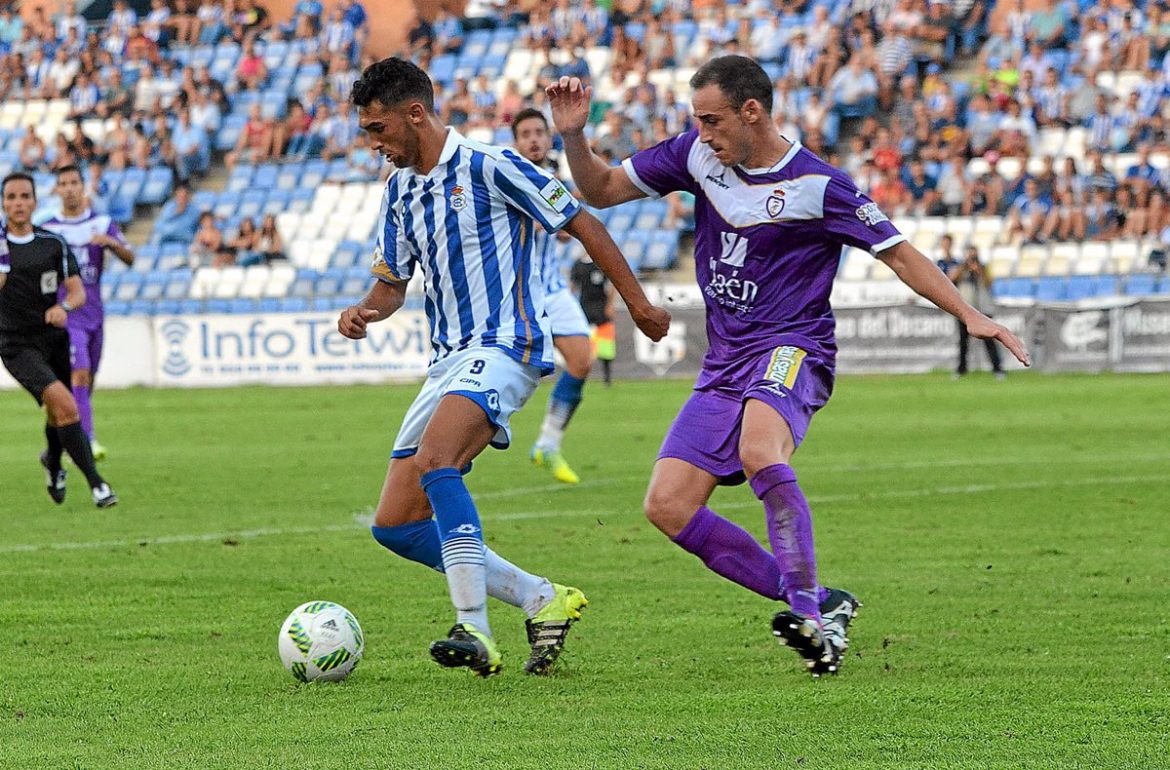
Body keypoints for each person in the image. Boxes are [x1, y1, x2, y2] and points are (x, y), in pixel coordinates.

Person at [547, 56, 1030, 677]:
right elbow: (601, 189)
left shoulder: (819, 186)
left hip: (793, 346)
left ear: (752, 112)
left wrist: (968, 313)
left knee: (759, 450)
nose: (703, 132)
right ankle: (821, 605)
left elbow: (899, 254)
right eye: (697, 120)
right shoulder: (698, 156)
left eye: (712, 120)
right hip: (726, 359)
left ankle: (809, 615)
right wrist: (572, 136)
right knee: (667, 505)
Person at [336, 58, 669, 678]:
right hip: (446, 363)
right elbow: (391, 285)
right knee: (397, 525)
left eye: (379, 129)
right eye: (366, 132)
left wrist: (640, 305)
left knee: (438, 461)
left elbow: (583, 223)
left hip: (506, 346)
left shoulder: (492, 166)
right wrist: (365, 311)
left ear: (416, 114)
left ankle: (474, 631)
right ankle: (543, 598)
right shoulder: (400, 191)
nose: (373, 144)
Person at [0, 172, 118, 508]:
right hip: (16, 345)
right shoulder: (1, 246)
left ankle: (53, 463)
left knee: (57, 413)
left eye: (24, 197)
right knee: (66, 405)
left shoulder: (53, 243)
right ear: (4, 204)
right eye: (11, 197)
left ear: (35, 202)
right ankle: (98, 485)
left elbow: (78, 292)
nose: (18, 203)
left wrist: (63, 306)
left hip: (52, 339)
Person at [511, 108, 594, 485]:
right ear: (515, 142)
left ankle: (548, 442)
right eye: (525, 133)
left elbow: (564, 230)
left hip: (553, 288)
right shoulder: (508, 176)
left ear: (549, 138)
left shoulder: (554, 180)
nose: (533, 139)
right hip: (517, 293)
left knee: (581, 359)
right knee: (511, 375)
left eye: (539, 132)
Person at [41, 165, 135, 461]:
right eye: (63, 184)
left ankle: (64, 436)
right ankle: (87, 439)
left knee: (87, 378)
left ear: (83, 187)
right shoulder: (49, 230)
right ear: (57, 190)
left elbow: (130, 258)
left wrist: (111, 243)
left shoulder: (103, 223)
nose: (69, 188)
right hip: (68, 315)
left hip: (95, 314)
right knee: (79, 374)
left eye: (73, 183)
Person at [944, 245, 1006, 380]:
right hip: (965, 311)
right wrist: (964, 267)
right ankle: (961, 369)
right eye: (969, 255)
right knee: (963, 342)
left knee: (989, 341)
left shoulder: (984, 268)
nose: (971, 258)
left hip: (983, 309)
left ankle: (998, 369)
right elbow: (950, 279)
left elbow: (989, 283)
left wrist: (979, 271)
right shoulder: (961, 268)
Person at [570, 251, 616, 386]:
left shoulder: (601, 262)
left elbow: (612, 285)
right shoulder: (578, 264)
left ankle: (607, 377)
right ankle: (580, 375)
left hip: (601, 307)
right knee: (584, 342)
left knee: (606, 344)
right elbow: (573, 286)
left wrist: (610, 305)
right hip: (584, 307)